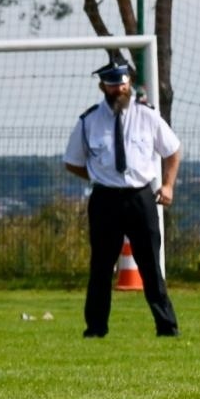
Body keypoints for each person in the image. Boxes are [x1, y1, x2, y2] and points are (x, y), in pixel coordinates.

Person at [63, 60, 182, 338]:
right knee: (101, 267)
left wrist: (167, 185)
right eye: (113, 83)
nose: (120, 88)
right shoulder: (89, 121)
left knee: (151, 265)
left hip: (141, 197)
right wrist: (97, 176)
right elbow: (72, 162)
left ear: (130, 83)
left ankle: (167, 327)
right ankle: (95, 328)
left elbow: (173, 151)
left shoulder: (148, 116)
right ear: (103, 86)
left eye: (123, 82)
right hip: (105, 199)